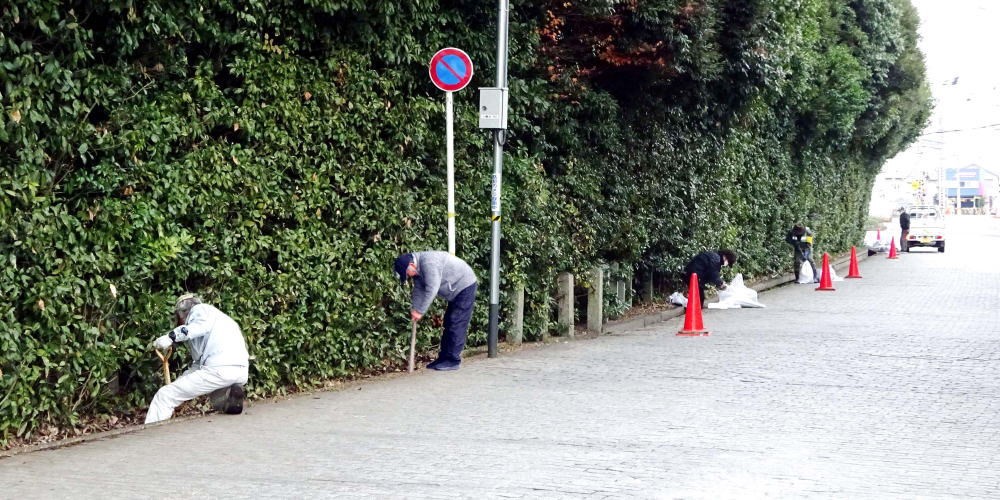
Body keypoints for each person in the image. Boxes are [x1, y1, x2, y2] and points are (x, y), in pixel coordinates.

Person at [145, 294, 249, 424]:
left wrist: (170, 337)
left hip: (218, 369)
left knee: (165, 396)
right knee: (216, 399)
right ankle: (229, 395)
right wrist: (180, 382)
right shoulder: (221, 318)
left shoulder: (200, 310)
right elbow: (199, 364)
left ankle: (151, 432)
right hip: (240, 371)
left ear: (182, 313)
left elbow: (199, 328)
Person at [394, 251, 478, 371]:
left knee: (456, 322)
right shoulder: (417, 271)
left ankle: (453, 361)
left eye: (407, 273)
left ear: (411, 265)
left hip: (464, 285)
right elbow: (418, 290)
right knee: (448, 322)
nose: (408, 276)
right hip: (455, 289)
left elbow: (432, 289)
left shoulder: (429, 263)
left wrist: (420, 311)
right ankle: (444, 358)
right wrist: (415, 308)